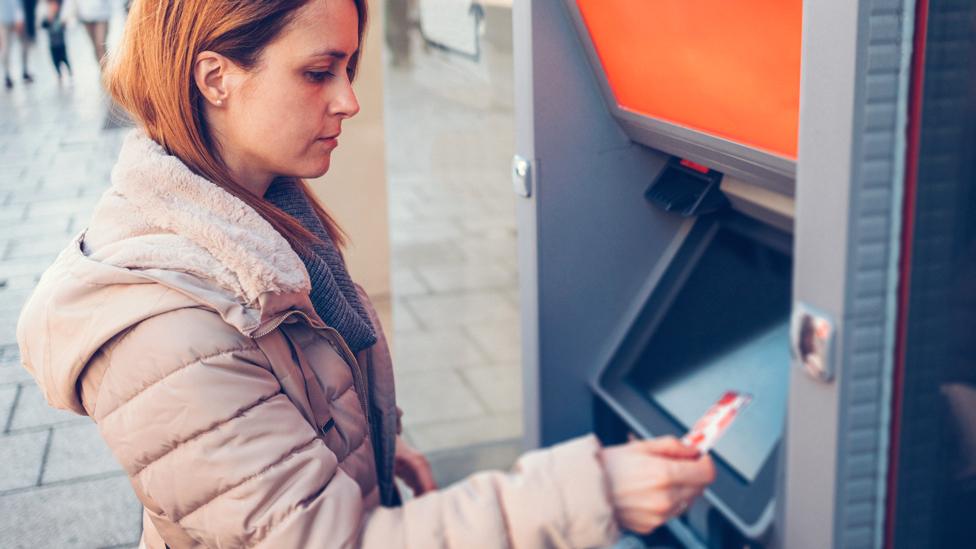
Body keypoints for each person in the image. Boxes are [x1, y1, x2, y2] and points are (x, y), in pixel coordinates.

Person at [16, 1, 715, 547]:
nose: (348, 100)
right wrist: (594, 493)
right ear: (215, 77)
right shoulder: (172, 328)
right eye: (319, 72)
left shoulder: (263, 218)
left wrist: (361, 442)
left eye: (348, 69)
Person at [63, 0, 110, 67]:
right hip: (85, 14)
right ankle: (102, 69)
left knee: (100, 45)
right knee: (95, 46)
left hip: (102, 13)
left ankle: (107, 71)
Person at [0, 0, 32, 88]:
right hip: (4, 20)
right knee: (5, 49)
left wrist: (19, 18)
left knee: (24, 45)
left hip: (16, 19)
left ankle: (24, 70)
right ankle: (7, 75)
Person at [40, 0, 69, 82]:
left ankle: (70, 72)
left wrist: (64, 23)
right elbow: (43, 25)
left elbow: (65, 26)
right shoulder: (47, 17)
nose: (53, 8)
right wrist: (48, 19)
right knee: (55, 61)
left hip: (61, 44)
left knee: (65, 59)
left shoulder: (60, 16)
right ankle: (59, 74)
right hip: (52, 45)